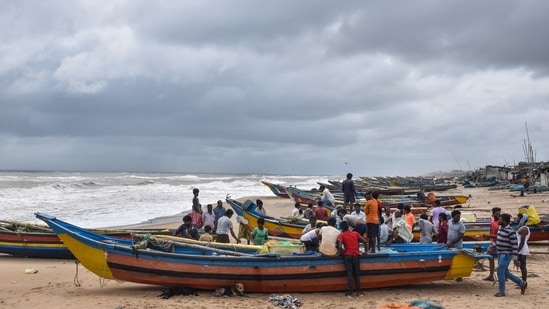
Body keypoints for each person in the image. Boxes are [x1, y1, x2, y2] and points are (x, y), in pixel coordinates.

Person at [494, 213, 527, 297]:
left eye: (500, 219)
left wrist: (515, 258)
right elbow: (499, 239)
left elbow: (515, 246)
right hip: (500, 253)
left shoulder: (511, 231)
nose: (499, 220)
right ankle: (522, 283)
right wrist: (493, 246)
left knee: (500, 271)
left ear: (505, 221)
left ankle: (502, 291)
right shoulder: (500, 228)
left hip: (506, 254)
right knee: (505, 272)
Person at [338, 220, 368, 297]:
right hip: (356, 255)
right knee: (357, 274)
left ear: (342, 228)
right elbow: (365, 241)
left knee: (350, 274)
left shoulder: (342, 235)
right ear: (348, 227)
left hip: (347, 255)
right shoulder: (355, 233)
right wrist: (366, 251)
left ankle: (351, 292)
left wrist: (342, 253)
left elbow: (340, 246)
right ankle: (359, 292)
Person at [483, 207, 501, 282]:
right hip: (492, 242)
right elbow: (492, 232)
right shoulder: (492, 222)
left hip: (498, 243)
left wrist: (488, 237)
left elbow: (499, 235)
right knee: (491, 259)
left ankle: (500, 276)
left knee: (499, 260)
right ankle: (491, 275)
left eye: (499, 214)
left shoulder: (500, 223)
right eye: (496, 214)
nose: (498, 215)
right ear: (493, 214)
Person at [516, 213, 530, 283]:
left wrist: (517, 251)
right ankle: (522, 281)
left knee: (523, 266)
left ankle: (524, 282)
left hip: (522, 249)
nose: (517, 220)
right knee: (521, 266)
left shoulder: (524, 229)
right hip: (521, 249)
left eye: (518, 218)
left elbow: (522, 242)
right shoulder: (522, 228)